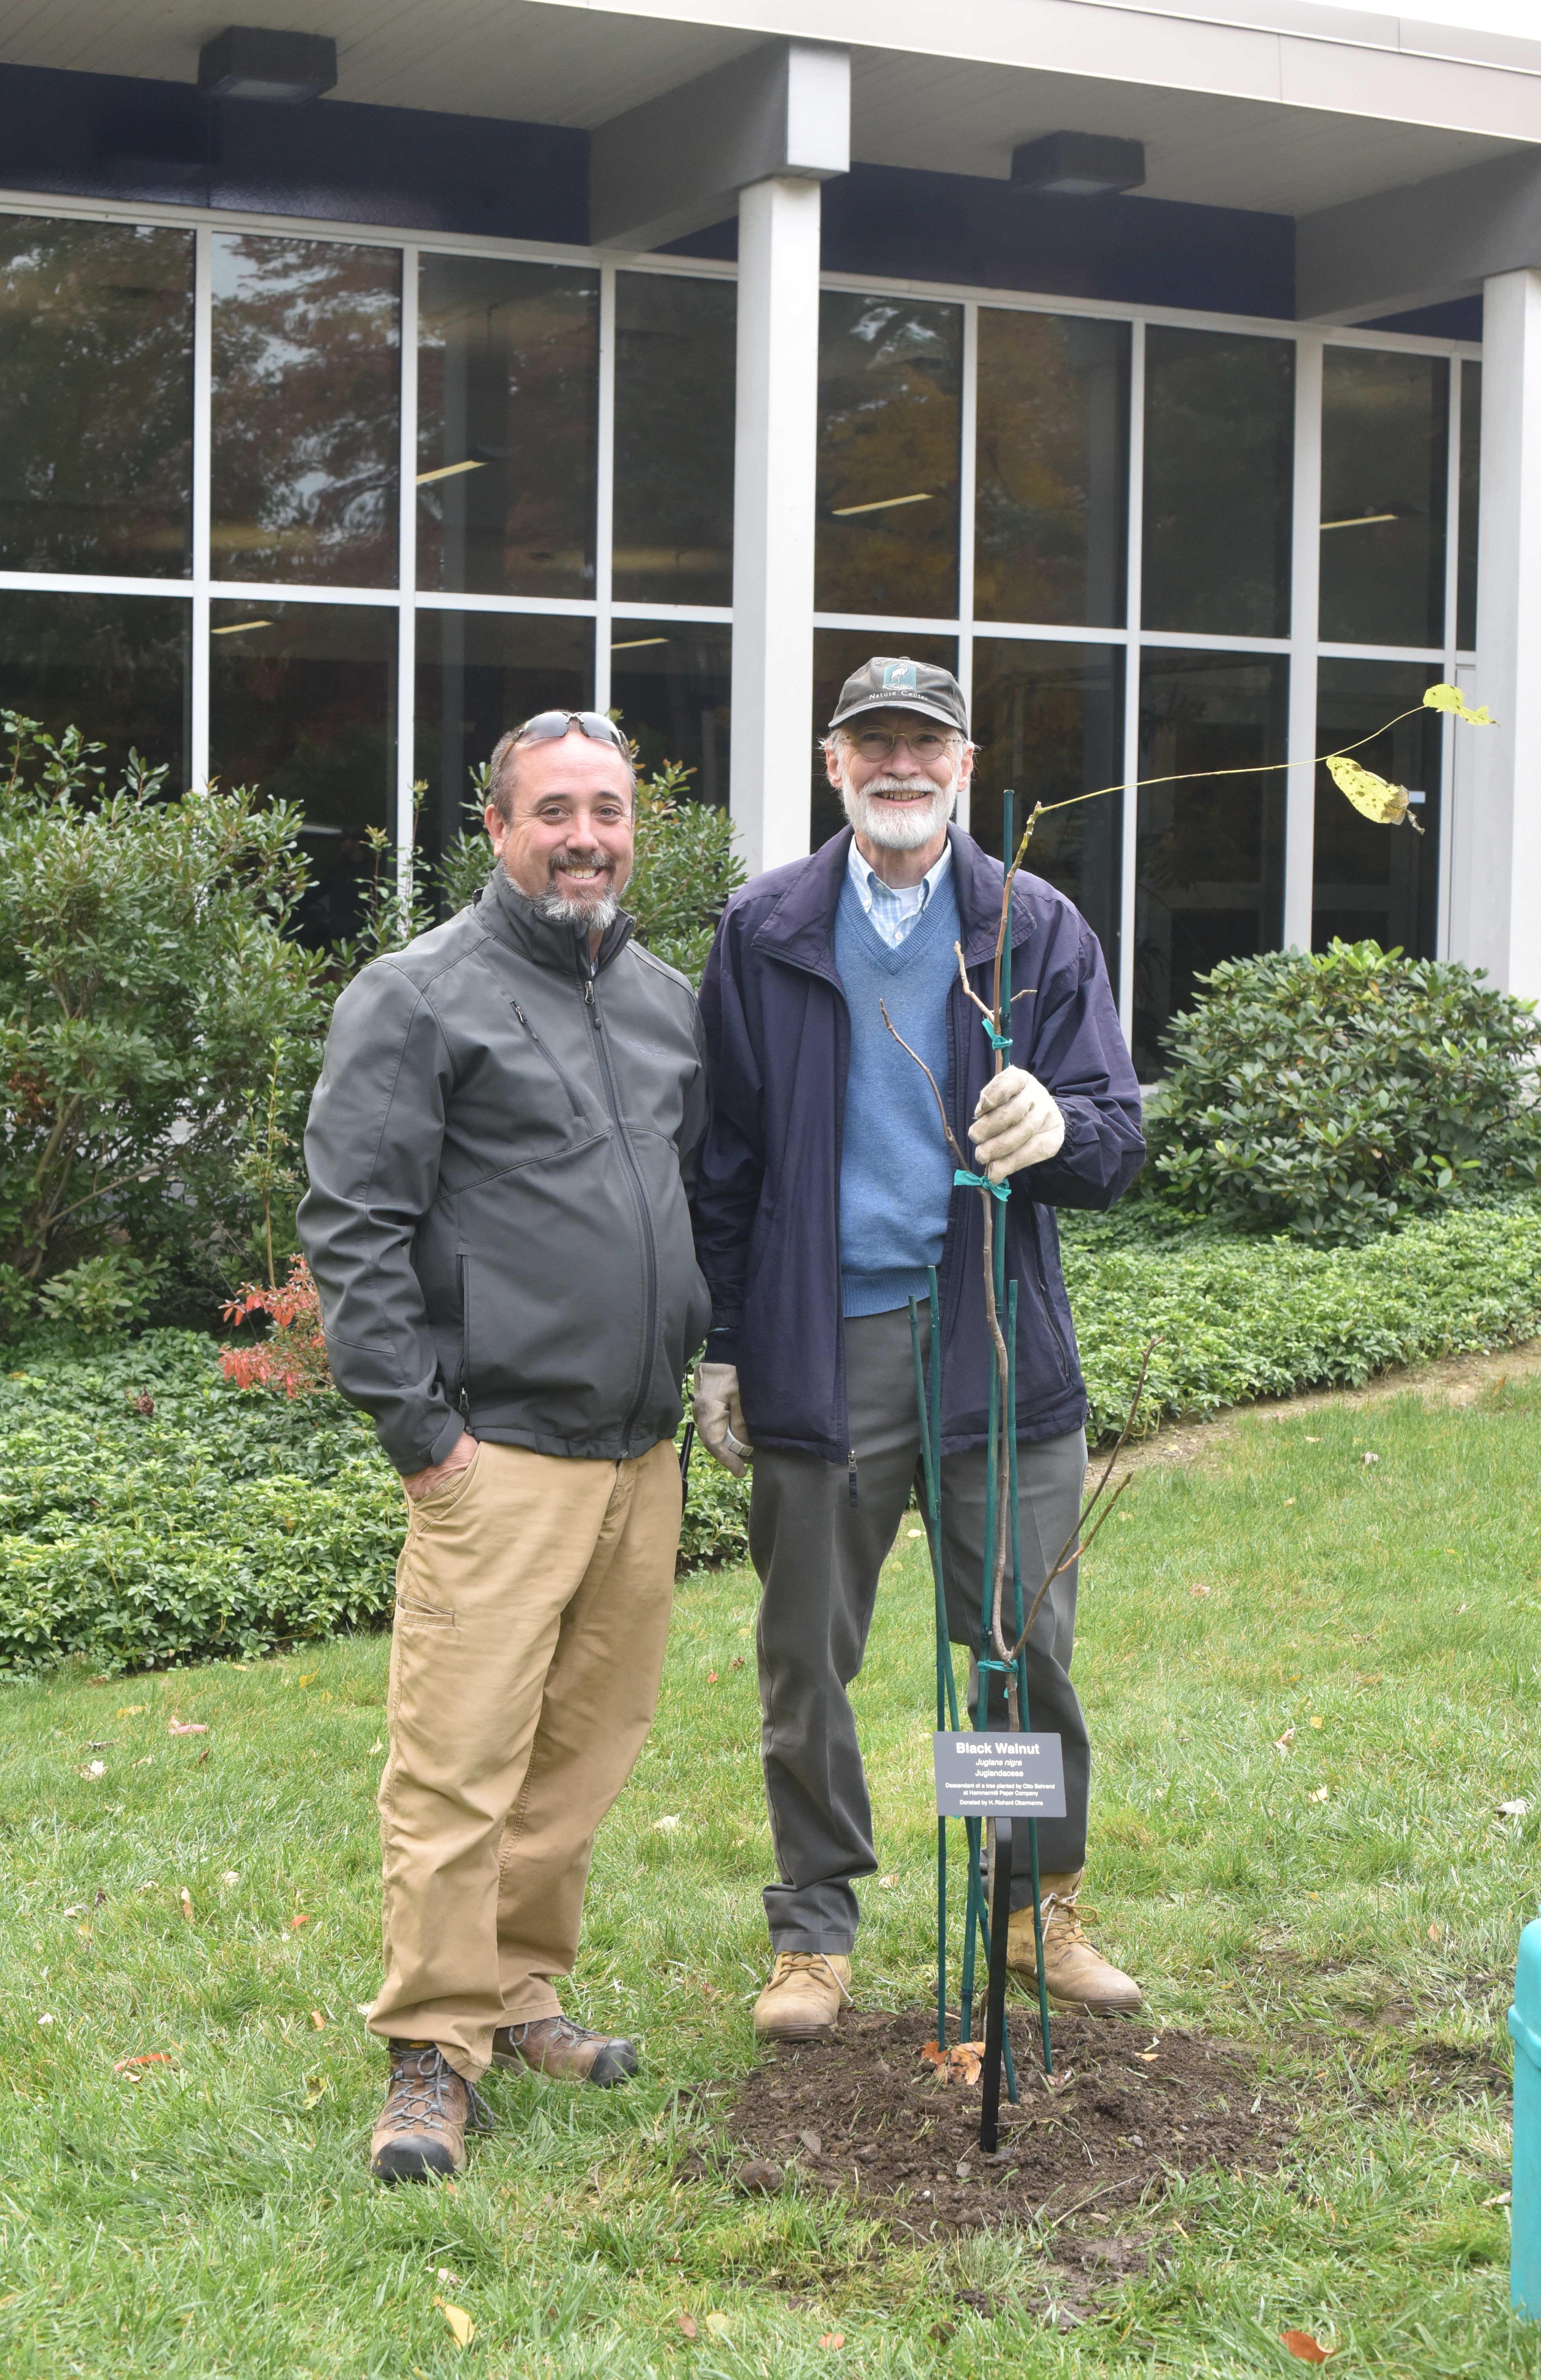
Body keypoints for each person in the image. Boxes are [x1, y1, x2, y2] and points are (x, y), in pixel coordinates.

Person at [690, 656, 1146, 2042]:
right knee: (805, 1656)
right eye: (871, 742)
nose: (900, 764)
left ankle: (1027, 1906)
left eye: (925, 744)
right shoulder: (767, 930)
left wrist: (1057, 1132)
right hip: (818, 1352)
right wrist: (723, 1349)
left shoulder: (1031, 925)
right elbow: (723, 1161)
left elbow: (1115, 1139)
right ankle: (815, 1932)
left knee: (1012, 1648)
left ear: (966, 763)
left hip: (991, 1347)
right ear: (834, 767)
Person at [298, 710, 710, 2180]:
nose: (584, 834)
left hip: (640, 1456)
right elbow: (355, 1228)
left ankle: (522, 1993)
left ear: (635, 824)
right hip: (499, 1456)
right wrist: (424, 1440)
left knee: (583, 1755)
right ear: (496, 829)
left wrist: (705, 1361)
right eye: (554, 810)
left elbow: (693, 1201)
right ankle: (428, 2051)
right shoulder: (419, 998)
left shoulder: (665, 998)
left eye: (607, 806)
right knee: (459, 1765)